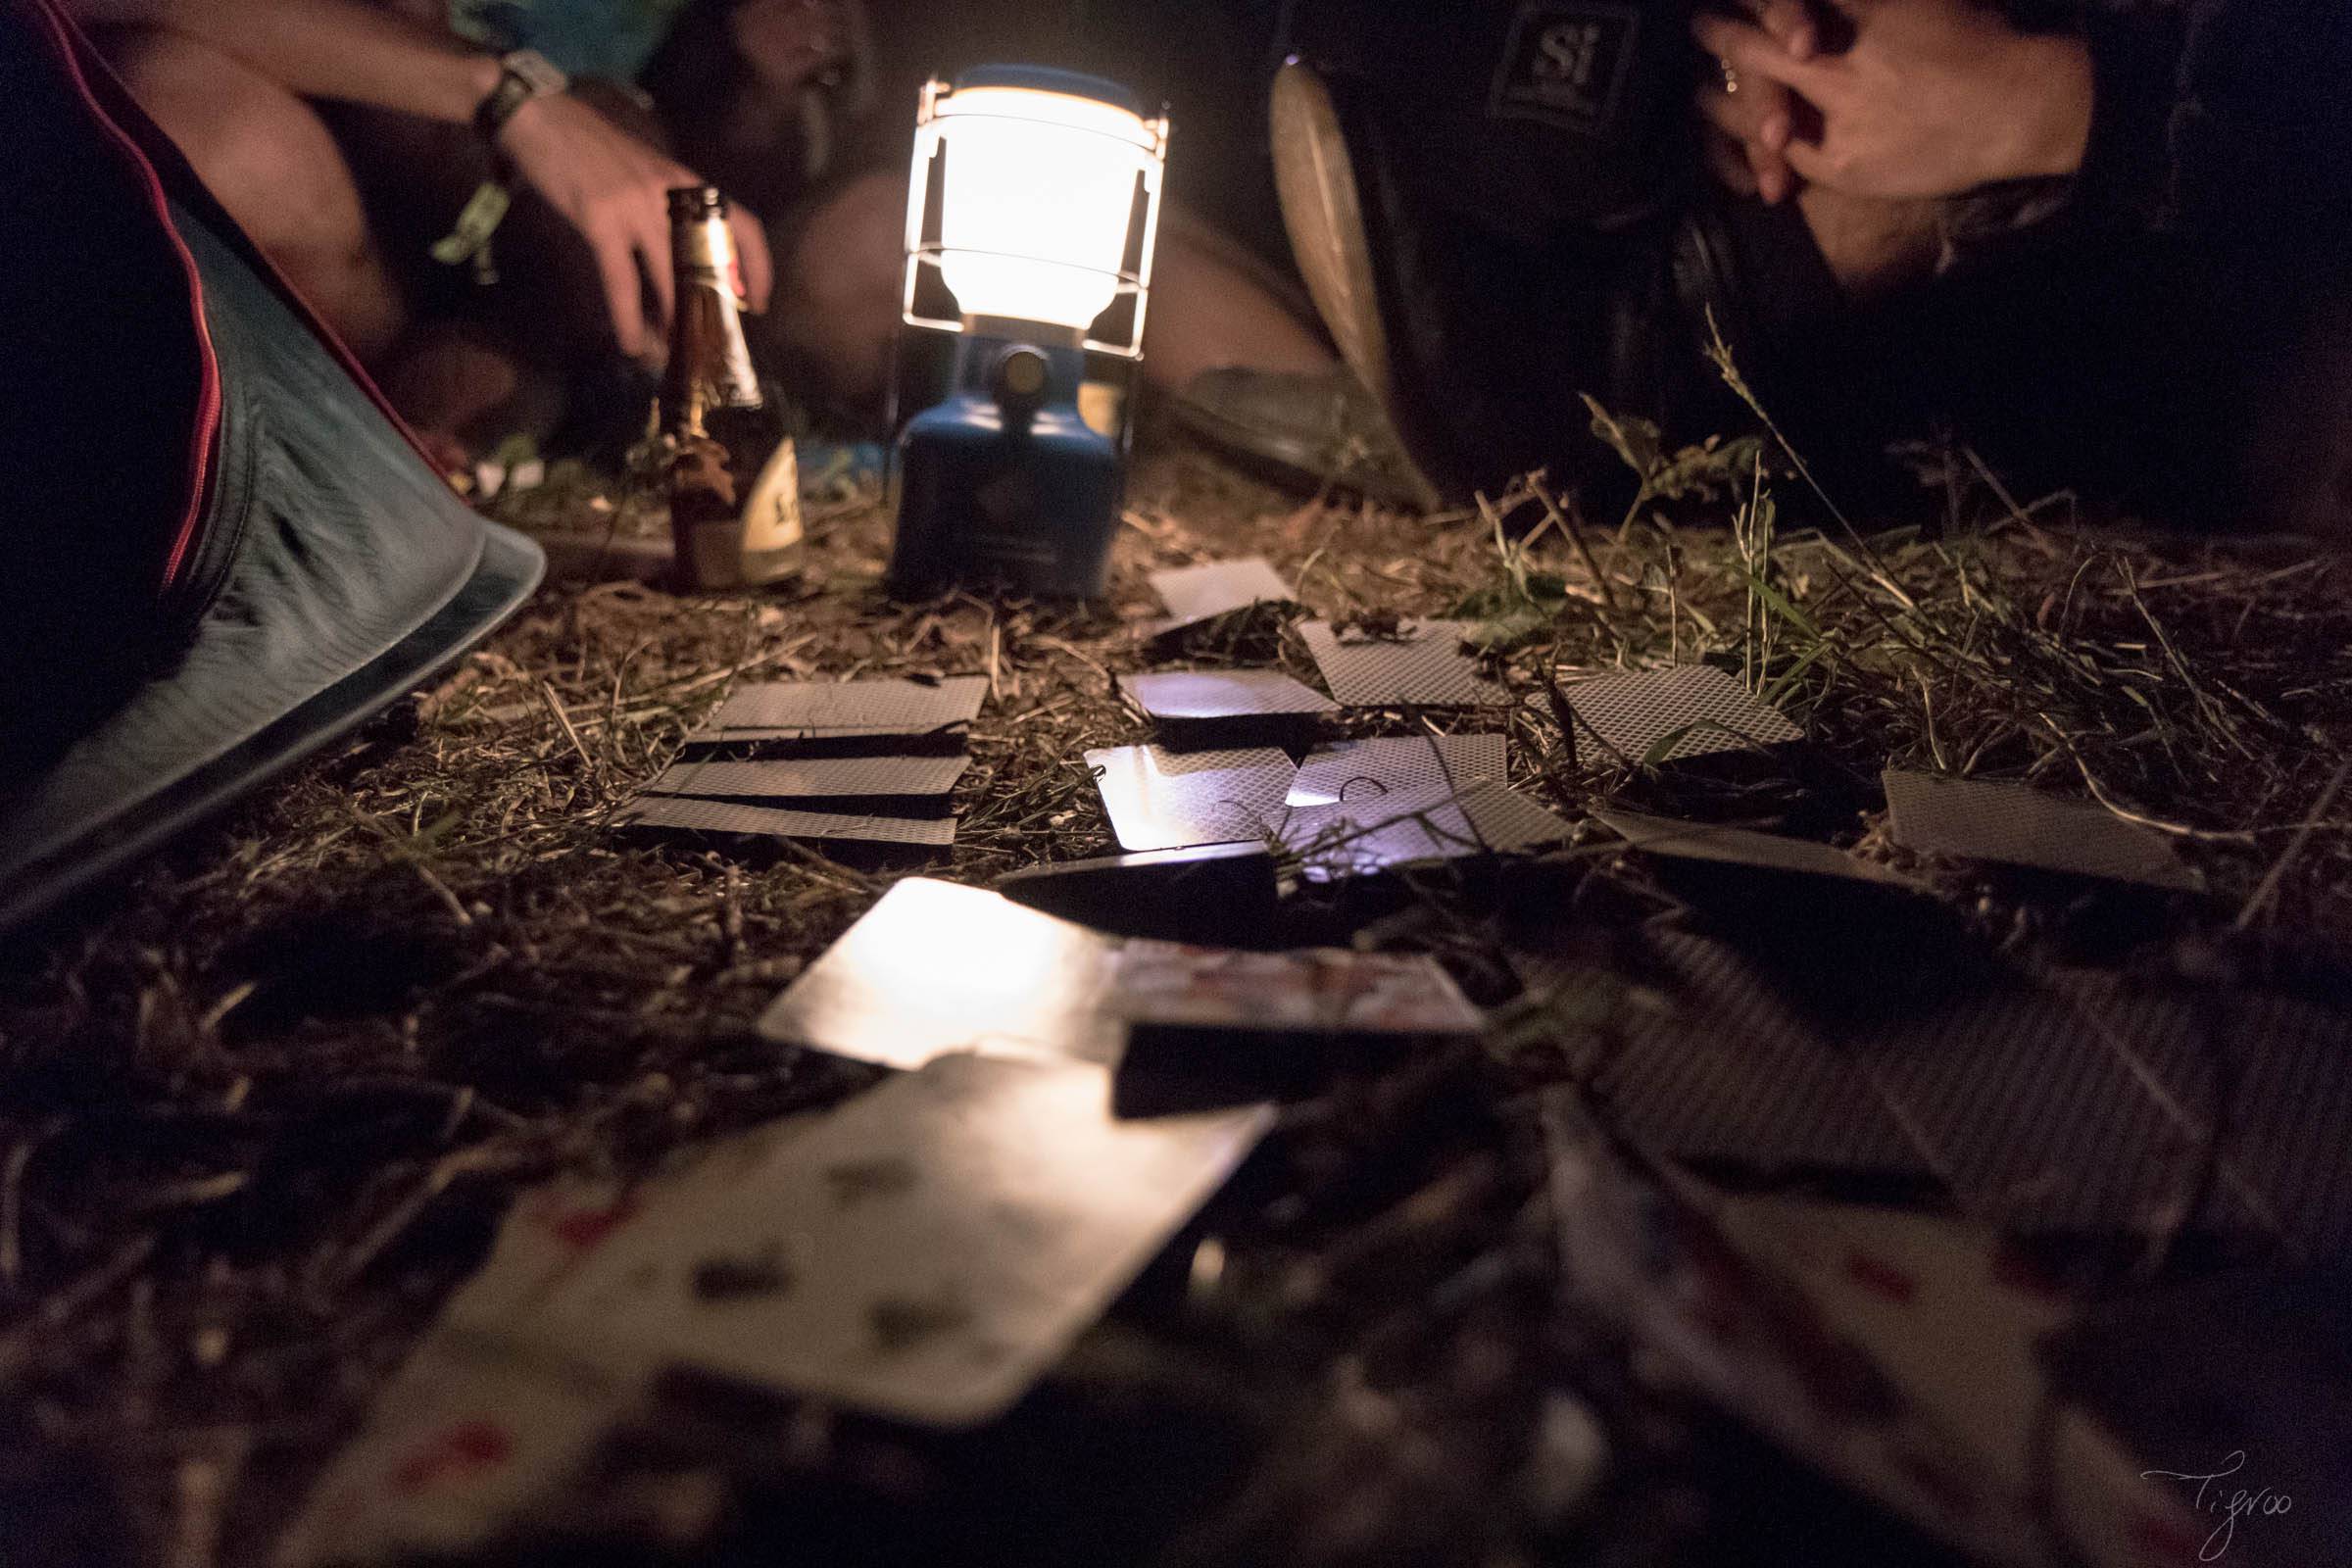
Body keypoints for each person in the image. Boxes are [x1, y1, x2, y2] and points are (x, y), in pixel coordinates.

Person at [64, 0, 1350, 474]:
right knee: (217, 130)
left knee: (900, 225)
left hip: (579, 328)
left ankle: (1389, 432)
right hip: (324, 268)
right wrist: (520, 100)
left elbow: (684, 159)